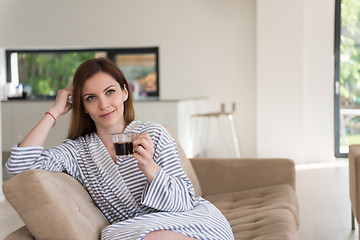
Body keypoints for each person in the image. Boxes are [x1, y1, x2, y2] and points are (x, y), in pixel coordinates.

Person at [5, 57, 234, 240]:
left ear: (125, 92)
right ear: (82, 106)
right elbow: (19, 168)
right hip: (132, 231)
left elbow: (184, 201)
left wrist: (150, 167)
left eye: (110, 92)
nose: (103, 104)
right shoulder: (76, 152)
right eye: (91, 98)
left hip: (187, 219)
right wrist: (55, 112)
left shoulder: (154, 133)